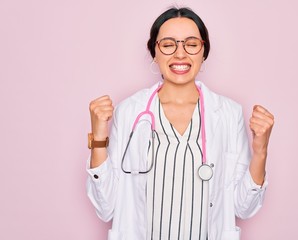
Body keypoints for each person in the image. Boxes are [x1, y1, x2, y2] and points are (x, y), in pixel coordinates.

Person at [86, 7, 274, 240]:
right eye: (168, 44)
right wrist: (99, 138)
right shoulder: (129, 112)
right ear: (154, 52)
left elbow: (243, 207)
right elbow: (106, 207)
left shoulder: (228, 114)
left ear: (203, 52)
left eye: (192, 44)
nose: (180, 54)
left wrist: (260, 151)